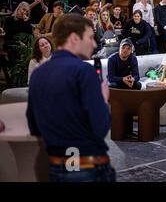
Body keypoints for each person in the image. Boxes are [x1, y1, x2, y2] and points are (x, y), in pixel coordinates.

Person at [26, 13, 114, 182]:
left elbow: (34, 126)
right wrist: (103, 99)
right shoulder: (84, 72)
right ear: (74, 38)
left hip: (55, 166)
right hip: (88, 167)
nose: (94, 43)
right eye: (90, 37)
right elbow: (101, 127)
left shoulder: (37, 74)